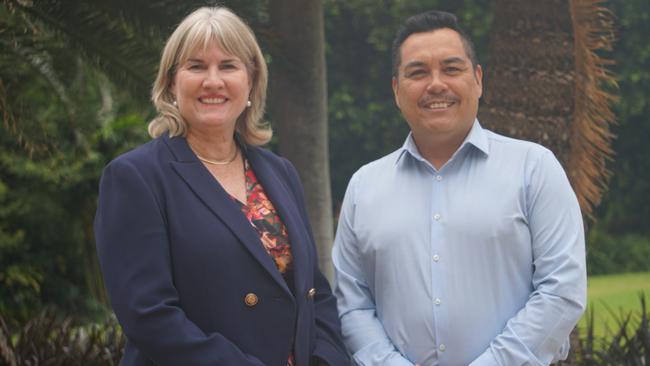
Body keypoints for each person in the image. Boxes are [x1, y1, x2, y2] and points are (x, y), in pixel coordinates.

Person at [94, 7, 349, 366]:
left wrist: (327, 359)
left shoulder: (281, 172)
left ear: (251, 80)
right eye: (196, 66)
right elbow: (149, 316)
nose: (213, 81)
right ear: (171, 83)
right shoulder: (135, 177)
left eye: (228, 66)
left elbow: (314, 291)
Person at [332, 10, 586, 366]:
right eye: (418, 72)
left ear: (478, 80)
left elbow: (563, 289)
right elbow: (351, 303)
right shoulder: (364, 187)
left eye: (451, 69)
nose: (436, 84)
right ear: (396, 89)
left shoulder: (533, 168)